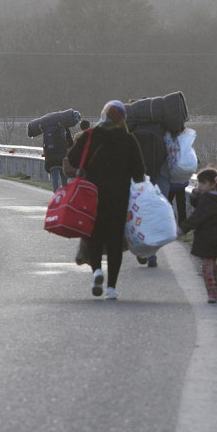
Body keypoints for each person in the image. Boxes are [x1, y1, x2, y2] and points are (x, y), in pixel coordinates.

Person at [66, 100, 145, 300]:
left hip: (91, 196)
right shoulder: (128, 139)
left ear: (103, 115)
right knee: (114, 241)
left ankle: (97, 273)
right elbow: (139, 173)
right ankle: (111, 288)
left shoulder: (90, 135)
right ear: (122, 118)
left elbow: (73, 159)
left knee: (94, 236)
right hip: (119, 198)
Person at [177, 168, 217, 303]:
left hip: (207, 237)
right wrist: (196, 194)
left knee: (206, 266)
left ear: (212, 185)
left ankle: (212, 292)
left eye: (202, 184)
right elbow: (199, 205)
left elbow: (198, 216)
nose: (199, 186)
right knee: (213, 264)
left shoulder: (207, 200)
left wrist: (182, 229)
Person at [130, 121, 168, 267]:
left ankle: (142, 250)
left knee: (138, 217)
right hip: (158, 180)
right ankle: (151, 255)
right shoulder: (161, 134)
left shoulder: (133, 135)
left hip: (138, 182)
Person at [42, 122, 73, 191]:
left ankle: (56, 196)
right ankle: (64, 195)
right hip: (62, 160)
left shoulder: (48, 134)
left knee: (54, 179)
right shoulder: (63, 135)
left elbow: (45, 147)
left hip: (51, 161)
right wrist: (67, 130)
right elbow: (71, 144)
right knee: (64, 178)